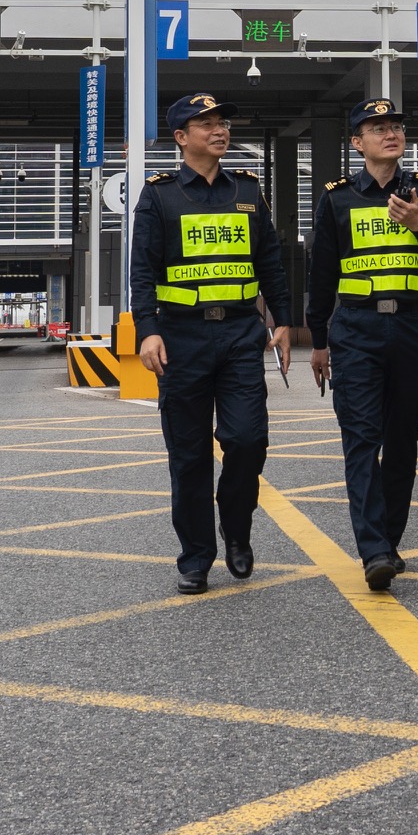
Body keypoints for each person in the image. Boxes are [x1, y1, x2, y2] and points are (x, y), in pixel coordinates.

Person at [131, 91, 292, 594]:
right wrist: (147, 329)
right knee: (189, 453)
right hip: (181, 339)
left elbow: (270, 261)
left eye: (222, 122)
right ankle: (196, 555)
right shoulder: (159, 196)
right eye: (206, 124)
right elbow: (141, 270)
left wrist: (283, 320)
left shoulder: (247, 190)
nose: (220, 130)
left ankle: (236, 530)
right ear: (181, 138)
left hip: (242, 335)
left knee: (248, 441)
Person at [306, 96, 418, 592]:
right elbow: (321, 274)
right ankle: (373, 549)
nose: (390, 133)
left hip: (413, 327)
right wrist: (320, 341)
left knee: (401, 443)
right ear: (357, 142)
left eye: (396, 125)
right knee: (360, 439)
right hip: (356, 331)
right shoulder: (337, 198)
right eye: (377, 128)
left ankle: (389, 541)